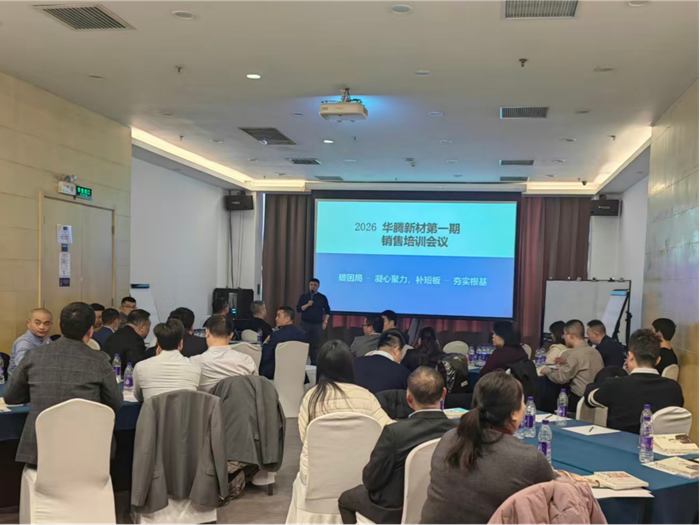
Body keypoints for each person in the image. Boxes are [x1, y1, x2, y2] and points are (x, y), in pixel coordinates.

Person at [420, 372, 554, 525]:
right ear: (514, 414)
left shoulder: (449, 438)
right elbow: (556, 500)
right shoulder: (529, 459)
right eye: (522, 401)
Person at [4, 302, 123, 465]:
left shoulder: (34, 355)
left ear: (60, 325)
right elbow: (115, 402)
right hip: (88, 450)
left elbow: (11, 396)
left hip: (39, 451)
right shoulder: (100, 360)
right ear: (90, 331)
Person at [338, 367, 457, 525]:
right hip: (439, 506)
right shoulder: (457, 431)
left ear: (409, 399)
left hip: (395, 512)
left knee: (346, 499)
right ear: (444, 394)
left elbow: (371, 480)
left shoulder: (395, 433)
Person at [298, 340, 392, 483]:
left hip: (318, 475)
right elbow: (388, 429)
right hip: (361, 475)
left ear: (321, 367)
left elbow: (305, 436)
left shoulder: (311, 398)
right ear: (349, 366)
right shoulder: (365, 396)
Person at [584, 329, 684, 434]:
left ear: (630, 356)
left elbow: (590, 399)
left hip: (619, 442)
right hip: (656, 443)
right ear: (658, 360)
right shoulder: (674, 388)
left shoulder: (615, 385)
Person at [132, 319, 201, 402]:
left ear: (158, 343)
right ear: (180, 344)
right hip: (185, 410)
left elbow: (139, 397)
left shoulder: (141, 367)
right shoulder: (195, 366)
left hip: (153, 410)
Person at [544, 319, 604, 406]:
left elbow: (561, 378)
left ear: (571, 336)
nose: (564, 338)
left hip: (578, 400)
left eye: (564, 335)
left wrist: (547, 371)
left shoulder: (575, 354)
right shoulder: (595, 352)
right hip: (594, 399)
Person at [191, 314, 256, 392]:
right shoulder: (247, 361)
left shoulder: (195, 362)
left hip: (208, 399)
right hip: (240, 399)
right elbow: (256, 389)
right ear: (231, 336)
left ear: (207, 333)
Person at [259, 306, 308, 379]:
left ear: (287, 319)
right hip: (297, 372)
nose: (276, 318)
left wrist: (266, 342)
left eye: (278, 316)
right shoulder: (303, 334)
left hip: (277, 373)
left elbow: (265, 357)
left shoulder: (276, 335)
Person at [103, 309, 151, 374]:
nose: (149, 330)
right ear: (142, 327)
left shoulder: (114, 334)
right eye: (149, 327)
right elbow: (137, 367)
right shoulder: (136, 340)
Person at [8, 308, 52, 376]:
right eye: (37, 323)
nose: (42, 327)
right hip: (21, 380)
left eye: (46, 323)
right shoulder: (23, 342)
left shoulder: (47, 339)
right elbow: (24, 368)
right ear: (28, 323)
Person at [296, 278, 331, 365]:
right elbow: (299, 309)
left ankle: (314, 363)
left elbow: (327, 311)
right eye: (311, 285)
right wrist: (308, 305)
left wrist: (325, 322)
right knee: (304, 343)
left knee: (315, 345)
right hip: (305, 323)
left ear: (318, 286)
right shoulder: (304, 297)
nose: (313, 287)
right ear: (309, 286)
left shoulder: (322, 297)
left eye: (315, 285)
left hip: (317, 324)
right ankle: (302, 362)